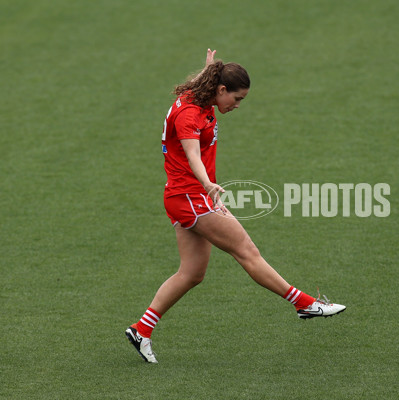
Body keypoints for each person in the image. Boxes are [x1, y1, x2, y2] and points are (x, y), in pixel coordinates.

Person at [125, 49, 345, 363]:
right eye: (237, 99)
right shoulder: (189, 114)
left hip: (181, 196)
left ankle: (141, 329)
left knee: (191, 273)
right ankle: (305, 304)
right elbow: (192, 156)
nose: (237, 106)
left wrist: (208, 66)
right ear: (222, 90)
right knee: (246, 249)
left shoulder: (200, 95)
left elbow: (203, 83)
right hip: (190, 197)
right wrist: (209, 186)